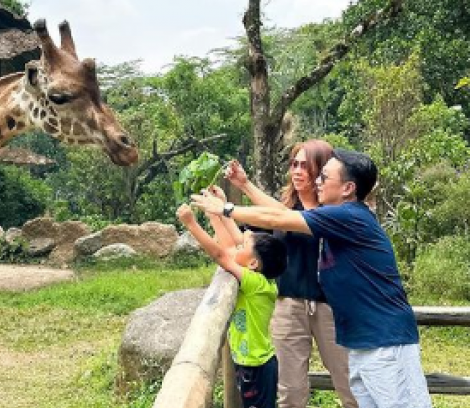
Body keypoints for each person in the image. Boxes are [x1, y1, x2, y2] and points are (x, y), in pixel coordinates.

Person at [190, 149, 431, 408]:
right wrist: (243, 188)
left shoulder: (349, 217)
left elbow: (277, 217)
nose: (317, 181)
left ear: (348, 188)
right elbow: (282, 213)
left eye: (324, 177)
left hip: (385, 343)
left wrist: (225, 209)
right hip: (365, 342)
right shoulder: (337, 218)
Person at [226, 140, 358, 408]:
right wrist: (235, 193)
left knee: (349, 383)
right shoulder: (283, 207)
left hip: (330, 307)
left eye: (305, 166)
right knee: (291, 390)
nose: (297, 171)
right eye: (294, 164)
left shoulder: (333, 211)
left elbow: (280, 217)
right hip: (287, 305)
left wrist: (243, 189)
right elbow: (256, 230)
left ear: (322, 171)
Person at [176, 199, 287, 408]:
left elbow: (220, 254)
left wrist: (191, 224)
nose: (238, 246)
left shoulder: (256, 283)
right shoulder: (259, 277)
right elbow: (228, 247)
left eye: (243, 246)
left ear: (253, 264)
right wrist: (214, 213)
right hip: (249, 363)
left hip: (257, 366)